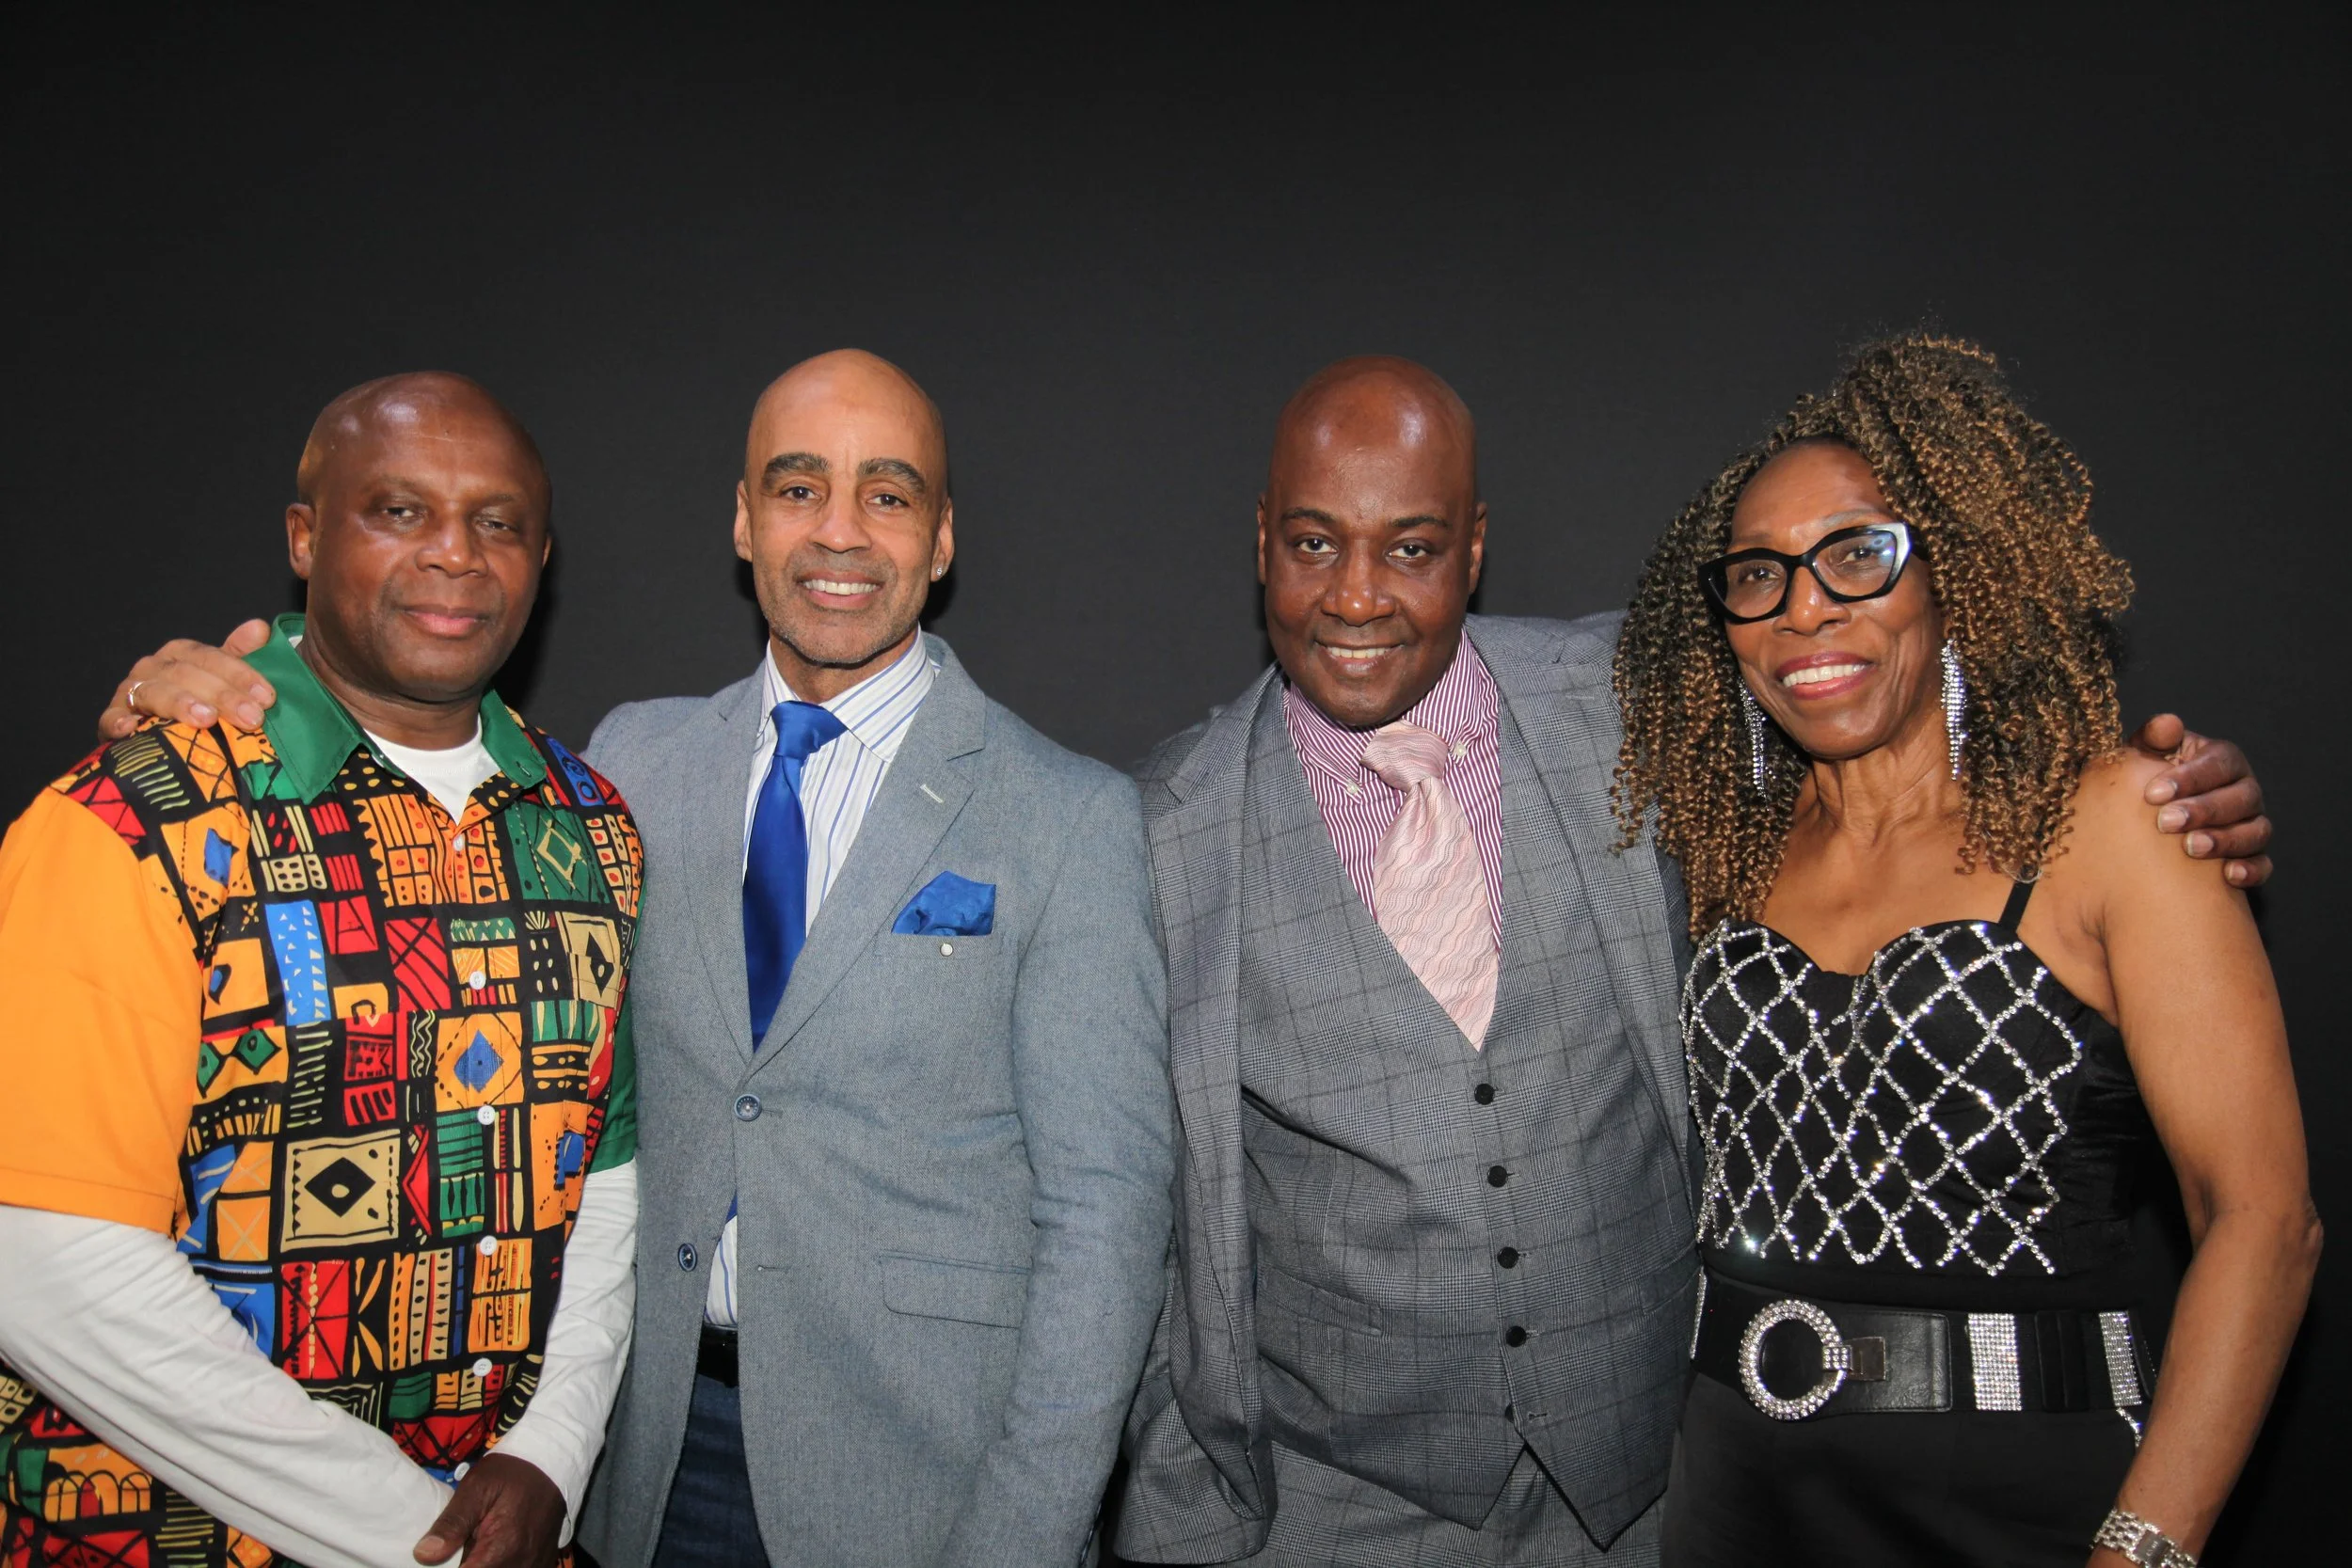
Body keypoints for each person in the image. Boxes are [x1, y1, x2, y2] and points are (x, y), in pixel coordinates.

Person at [1113, 356, 2277, 1567]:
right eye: (1313, 542)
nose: (1357, 595)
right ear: (1261, 544)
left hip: (1649, 1498)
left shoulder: (1634, 702)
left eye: (1409, 546)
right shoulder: (1158, 828)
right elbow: (1121, 1205)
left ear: (1472, 547)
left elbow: (1870, 700)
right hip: (1332, 1512)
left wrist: (2186, 798)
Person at [103, 349, 1175, 1568]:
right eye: (797, 485)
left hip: (924, 1479)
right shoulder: (631, 767)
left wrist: (1024, 1538)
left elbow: (1108, 1217)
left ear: (939, 540)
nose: (840, 530)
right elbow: (423, 771)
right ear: (742, 520)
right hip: (637, 1460)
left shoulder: (1069, 817)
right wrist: (233, 690)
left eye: (887, 493)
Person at [1612, 335, 2317, 1567]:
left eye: (1858, 555)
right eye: (1758, 576)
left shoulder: (2109, 824)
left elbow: (2264, 1219)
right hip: (1731, 1493)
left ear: (1957, 575)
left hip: (2020, 1506)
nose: (1806, 606)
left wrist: (2141, 1549)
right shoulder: (1721, 848)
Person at [0, 372, 643, 1568]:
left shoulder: (593, 823)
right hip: (157, 1535)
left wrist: (549, 1451)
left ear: (541, 556)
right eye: (398, 511)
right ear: (305, 538)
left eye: (497, 522)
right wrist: (412, 1534)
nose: (455, 556)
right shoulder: (127, 819)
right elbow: (44, 1260)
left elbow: (605, 1173)